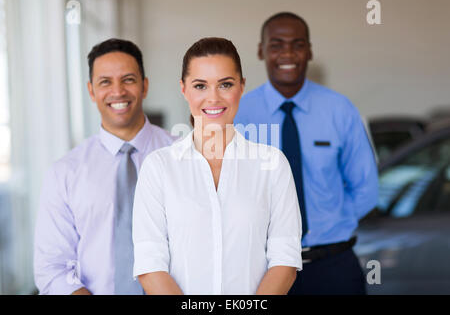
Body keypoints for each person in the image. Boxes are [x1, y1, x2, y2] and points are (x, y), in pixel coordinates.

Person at [132, 37, 302, 295]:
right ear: (183, 88)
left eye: (225, 84)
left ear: (242, 86)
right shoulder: (158, 168)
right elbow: (150, 263)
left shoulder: (273, 165)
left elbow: (285, 260)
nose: (213, 98)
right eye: (200, 85)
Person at [234, 12, 379, 295]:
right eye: (276, 44)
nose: (287, 53)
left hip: (332, 267)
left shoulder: (340, 110)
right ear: (261, 50)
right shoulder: (238, 113)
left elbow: (366, 188)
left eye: (297, 44)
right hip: (260, 269)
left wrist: (332, 221)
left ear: (309, 51)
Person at [34, 38, 176, 295]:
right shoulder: (65, 173)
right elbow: (52, 266)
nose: (118, 91)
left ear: (144, 86)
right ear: (91, 91)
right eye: (105, 82)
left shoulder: (184, 157)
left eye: (128, 80)